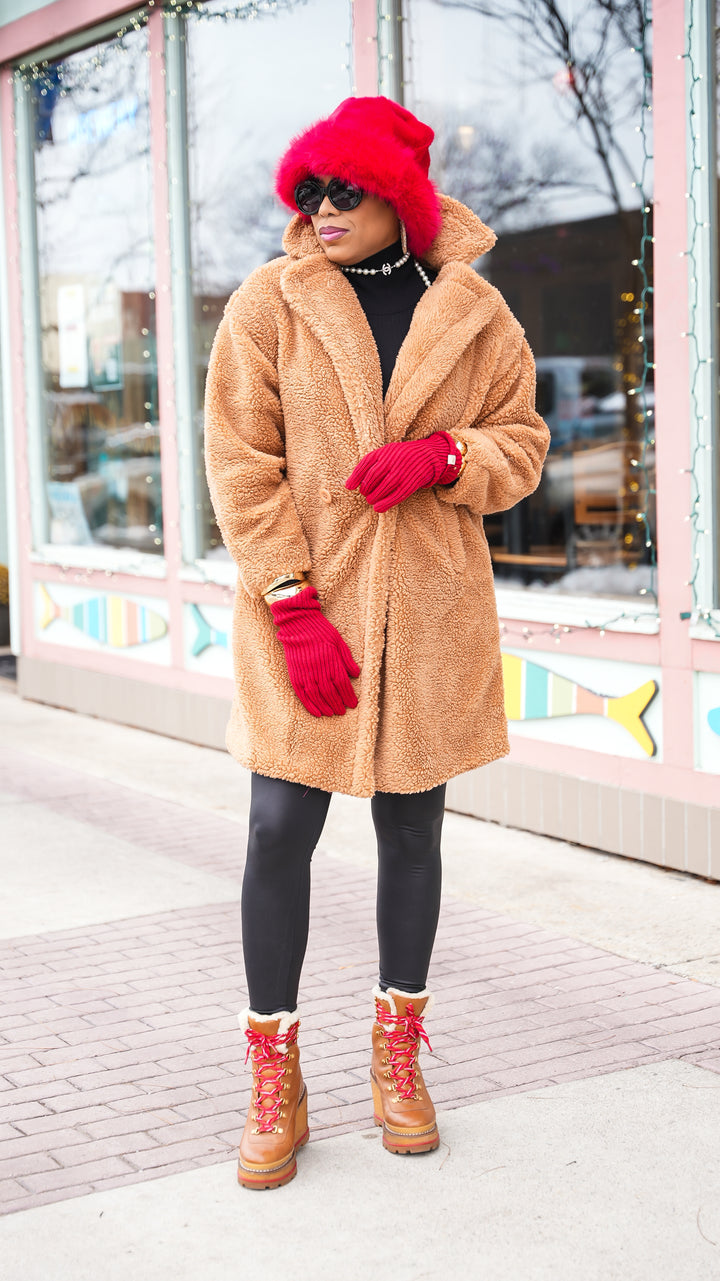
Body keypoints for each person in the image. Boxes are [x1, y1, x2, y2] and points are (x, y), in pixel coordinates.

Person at [204, 95, 550, 1190]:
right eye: (310, 190)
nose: (323, 209)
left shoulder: (477, 314)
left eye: (345, 190)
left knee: (412, 838)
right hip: (302, 613)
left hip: (434, 613)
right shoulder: (271, 302)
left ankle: (397, 1058)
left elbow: (524, 444)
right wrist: (290, 602)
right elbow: (239, 461)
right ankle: (276, 1073)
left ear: (397, 196)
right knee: (274, 830)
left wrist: (448, 456)